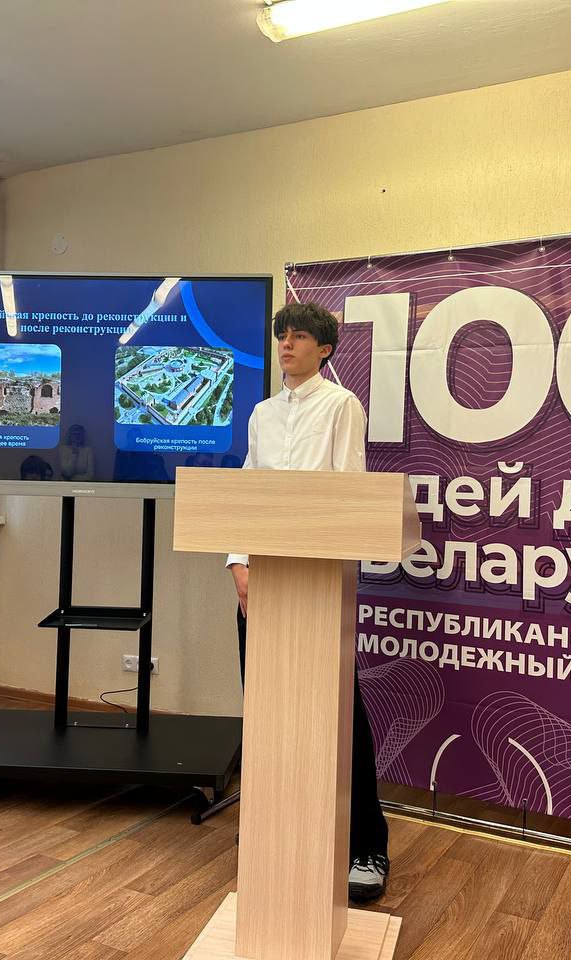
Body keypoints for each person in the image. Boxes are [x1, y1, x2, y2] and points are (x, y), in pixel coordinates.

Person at [225, 301, 390, 902]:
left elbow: (348, 496)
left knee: (340, 715)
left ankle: (365, 844)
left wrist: (328, 571)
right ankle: (277, 835)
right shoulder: (262, 414)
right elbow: (247, 491)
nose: (286, 345)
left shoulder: (342, 405)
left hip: (319, 587)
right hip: (263, 584)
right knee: (268, 715)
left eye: (298, 337)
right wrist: (238, 562)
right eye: (281, 336)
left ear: (324, 349)